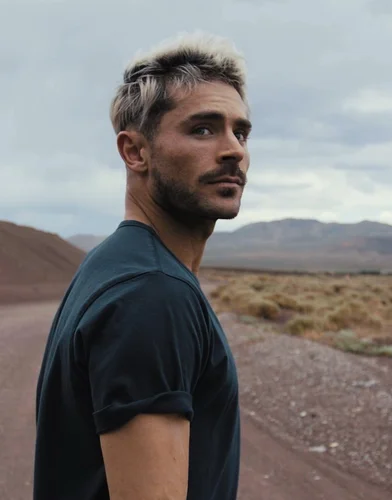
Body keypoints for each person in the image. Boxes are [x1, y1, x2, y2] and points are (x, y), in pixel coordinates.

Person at [34, 31, 252, 500]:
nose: (234, 149)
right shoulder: (151, 293)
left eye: (240, 132)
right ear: (135, 152)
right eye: (203, 129)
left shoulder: (117, 262)